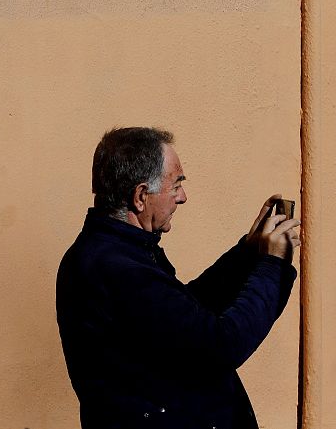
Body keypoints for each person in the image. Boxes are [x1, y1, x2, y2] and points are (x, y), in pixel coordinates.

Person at [56, 126, 300, 429]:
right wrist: (271, 266)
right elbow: (221, 345)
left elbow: (185, 312)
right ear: (141, 196)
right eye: (176, 185)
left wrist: (248, 254)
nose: (182, 197)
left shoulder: (113, 253)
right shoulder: (120, 269)